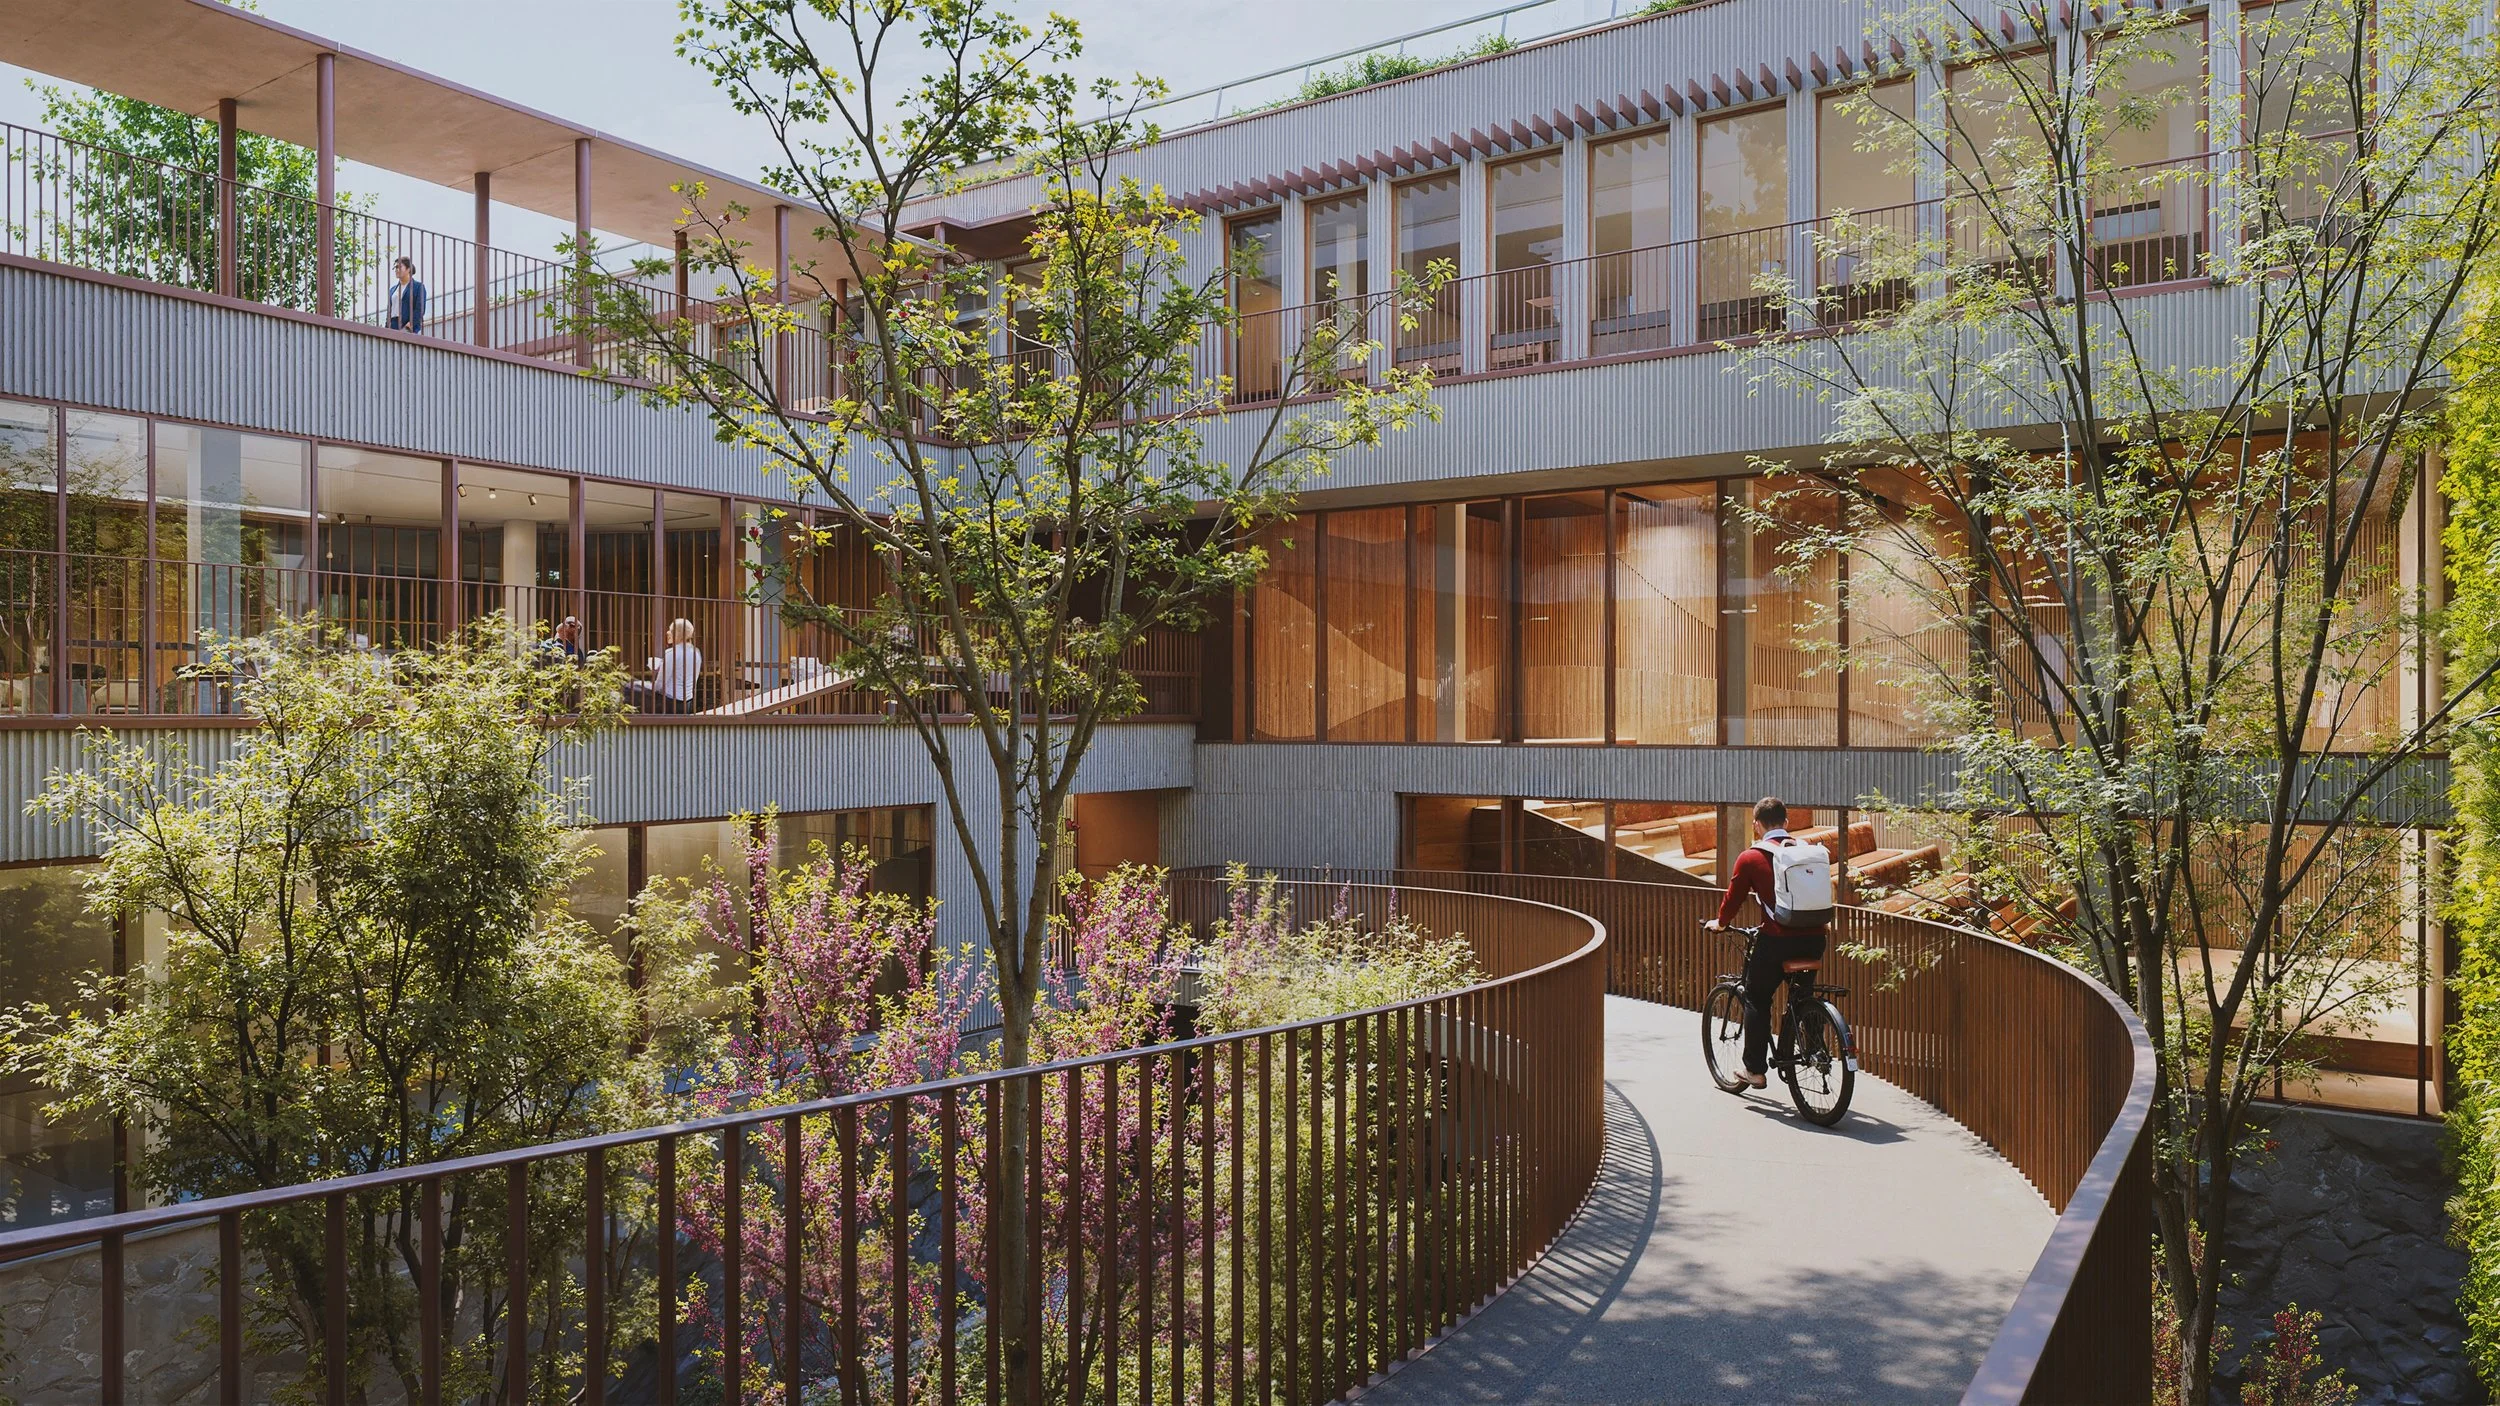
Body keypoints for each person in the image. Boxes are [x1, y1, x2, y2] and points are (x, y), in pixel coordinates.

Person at [1703, 796, 1832, 1089]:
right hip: (1815, 939)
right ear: (1786, 823)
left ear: (1756, 826)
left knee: (1756, 998)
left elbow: (1732, 899)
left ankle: (1755, 1070)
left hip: (1777, 941)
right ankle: (1812, 1047)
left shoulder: (1751, 857)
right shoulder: (1807, 852)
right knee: (1802, 994)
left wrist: (1720, 924)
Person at [624, 618, 702, 713]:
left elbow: (659, 686)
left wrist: (648, 680)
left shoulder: (672, 653)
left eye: (670, 630)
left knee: (630, 687)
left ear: (676, 634)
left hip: (670, 703)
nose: (668, 632)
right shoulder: (696, 652)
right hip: (687, 703)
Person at [386, 257, 427, 334]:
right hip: (393, 325)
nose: (396, 270)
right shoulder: (392, 290)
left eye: (399, 267)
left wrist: (409, 325)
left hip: (408, 326)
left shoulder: (418, 287)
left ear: (408, 269)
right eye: (395, 268)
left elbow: (419, 309)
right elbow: (389, 311)